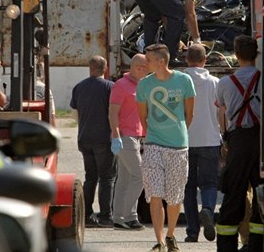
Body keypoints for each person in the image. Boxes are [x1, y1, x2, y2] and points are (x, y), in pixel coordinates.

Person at [136, 43, 196, 252]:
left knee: (174, 195)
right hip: (153, 144)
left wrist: (177, 133)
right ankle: (160, 240)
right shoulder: (144, 85)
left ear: (161, 61)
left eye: (149, 60)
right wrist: (153, 135)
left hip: (178, 147)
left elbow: (189, 115)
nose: (146, 64)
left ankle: (171, 235)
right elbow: (143, 118)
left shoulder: (184, 80)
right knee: (154, 194)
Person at [215, 35, 264, 252]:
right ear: (257, 55)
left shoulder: (225, 83)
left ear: (236, 56)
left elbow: (222, 113)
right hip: (262, 140)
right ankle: (257, 246)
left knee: (234, 193)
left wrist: (225, 138)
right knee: (262, 194)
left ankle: (227, 247)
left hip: (238, 140)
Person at [70, 55, 116, 228]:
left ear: (90, 68)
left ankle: (87, 215)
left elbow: (75, 113)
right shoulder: (110, 87)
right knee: (107, 178)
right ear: (105, 68)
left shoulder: (79, 87)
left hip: (84, 138)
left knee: (90, 177)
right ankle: (105, 215)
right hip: (103, 139)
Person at [182, 43, 221, 243]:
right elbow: (222, 111)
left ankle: (192, 232)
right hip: (210, 139)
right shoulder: (215, 82)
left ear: (186, 60)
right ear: (205, 60)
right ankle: (207, 208)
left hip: (184, 141)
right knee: (209, 183)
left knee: (188, 187)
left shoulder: (179, 81)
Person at [126, 0, 201, 65]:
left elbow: (166, 17)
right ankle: (170, 57)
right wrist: (197, 40)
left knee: (152, 16)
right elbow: (190, 14)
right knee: (178, 11)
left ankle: (147, 54)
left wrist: (176, 41)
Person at [109, 53, 148, 231]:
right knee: (140, 175)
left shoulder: (143, 85)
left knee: (124, 178)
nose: (141, 69)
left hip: (135, 137)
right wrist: (116, 136)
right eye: (138, 66)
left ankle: (118, 217)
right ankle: (130, 216)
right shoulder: (121, 85)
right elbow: (112, 113)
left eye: (144, 67)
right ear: (131, 67)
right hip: (125, 136)